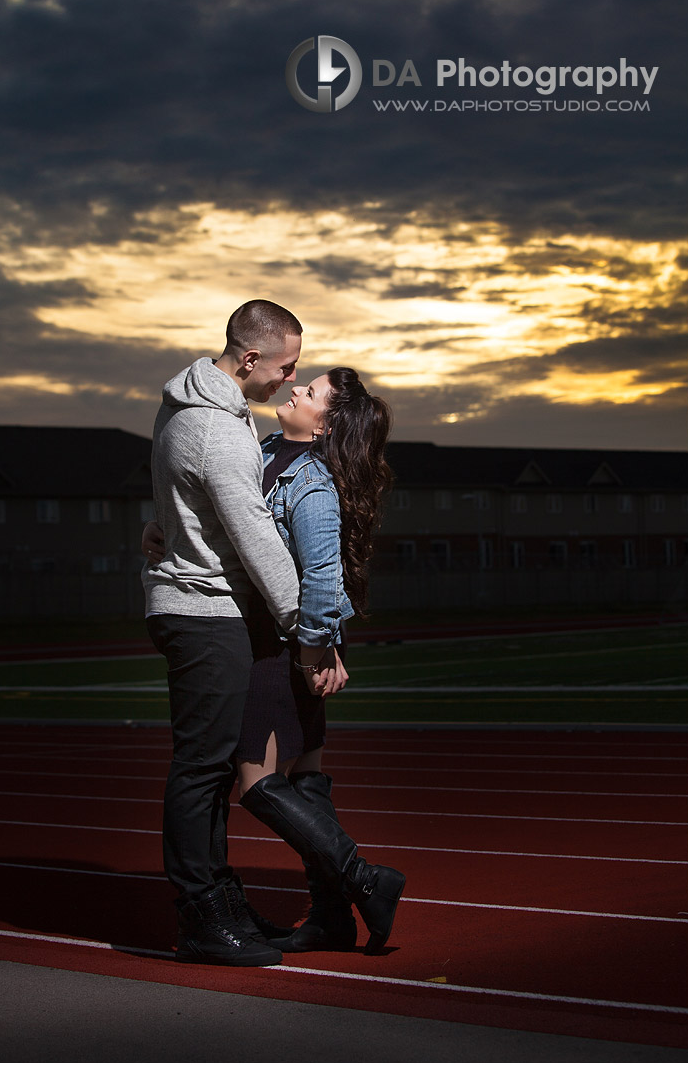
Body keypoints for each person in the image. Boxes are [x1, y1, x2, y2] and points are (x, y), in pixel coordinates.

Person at [142, 299, 308, 968]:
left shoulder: (208, 410)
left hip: (203, 606)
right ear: (248, 359)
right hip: (203, 611)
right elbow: (254, 535)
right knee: (201, 770)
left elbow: (181, 501)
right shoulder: (214, 427)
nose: (289, 379)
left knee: (211, 773)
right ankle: (202, 917)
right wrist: (308, 627)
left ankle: (220, 900)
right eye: (285, 365)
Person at [236, 367, 406, 955]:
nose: (294, 392)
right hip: (293, 642)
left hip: (285, 646)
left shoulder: (311, 481)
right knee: (307, 783)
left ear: (326, 421)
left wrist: (314, 649)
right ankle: (333, 918)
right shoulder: (265, 452)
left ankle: (365, 880)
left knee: (258, 785)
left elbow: (322, 577)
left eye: (308, 392)